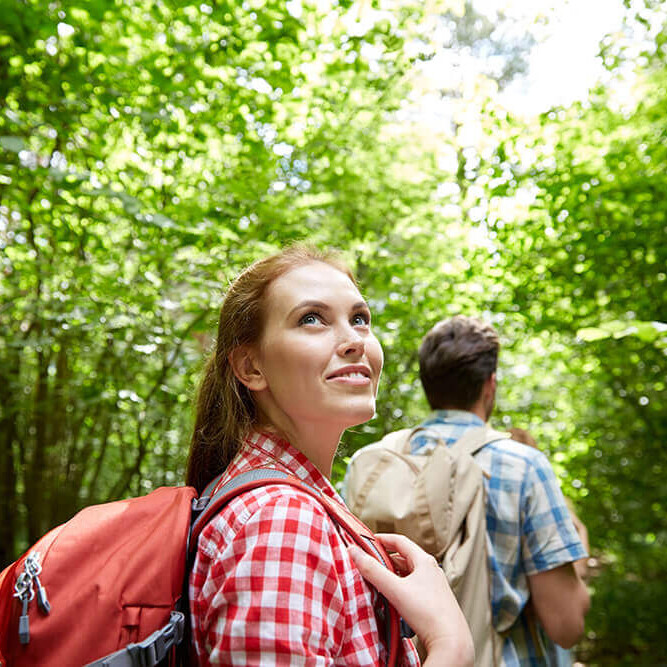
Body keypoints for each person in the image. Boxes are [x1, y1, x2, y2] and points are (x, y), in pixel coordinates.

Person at [186, 245, 473, 666]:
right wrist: (451, 645)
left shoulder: (288, 503)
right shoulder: (280, 519)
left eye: (359, 319)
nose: (355, 340)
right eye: (312, 319)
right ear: (251, 367)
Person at [408, 315, 590, 665]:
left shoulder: (372, 462)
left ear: (427, 384)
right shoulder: (522, 465)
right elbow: (566, 625)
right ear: (489, 385)